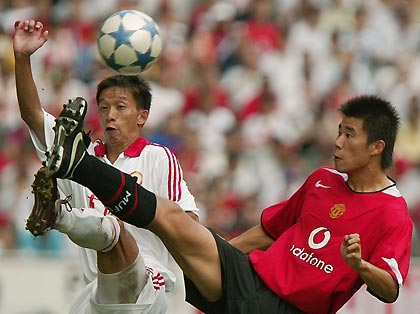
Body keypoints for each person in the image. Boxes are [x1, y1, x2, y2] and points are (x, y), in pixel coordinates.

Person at [30, 41, 412, 314]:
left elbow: (391, 288)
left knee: (171, 221)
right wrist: (205, 255)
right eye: (339, 131)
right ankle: (77, 164)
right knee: (172, 218)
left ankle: (73, 180)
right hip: (250, 276)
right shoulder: (322, 180)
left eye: (349, 135)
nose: (338, 142)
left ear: (377, 147)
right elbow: (267, 232)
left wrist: (361, 266)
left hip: (288, 309)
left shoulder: (393, 214)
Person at [13, 20, 200, 314]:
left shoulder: (158, 157)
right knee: (108, 229)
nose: (110, 115)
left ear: (142, 116)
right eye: (103, 107)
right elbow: (32, 115)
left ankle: (60, 215)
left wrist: (144, 213)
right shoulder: (78, 156)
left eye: (121, 107)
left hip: (146, 293)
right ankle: (65, 216)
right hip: (96, 296)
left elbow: (189, 222)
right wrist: (22, 58)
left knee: (115, 228)